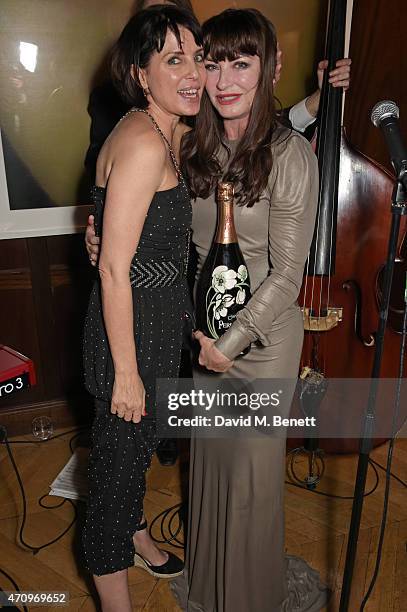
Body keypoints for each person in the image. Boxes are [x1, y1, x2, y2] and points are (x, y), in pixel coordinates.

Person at [84, 8, 351, 611]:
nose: (224, 79)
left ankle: (250, 596)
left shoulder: (291, 156)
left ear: (268, 67)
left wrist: (227, 346)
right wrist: (99, 236)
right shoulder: (191, 142)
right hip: (202, 331)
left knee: (250, 483)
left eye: (242, 63)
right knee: (207, 473)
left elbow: (287, 276)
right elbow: (148, 217)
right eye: (213, 62)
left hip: (258, 345)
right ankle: (211, 583)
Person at [81, 6, 205, 611]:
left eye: (196, 58)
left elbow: (127, 247)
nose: (192, 73)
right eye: (172, 59)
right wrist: (126, 372)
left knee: (130, 464)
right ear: (140, 72)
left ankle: (139, 540)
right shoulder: (141, 142)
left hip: (154, 329)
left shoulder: (164, 130)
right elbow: (112, 269)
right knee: (111, 486)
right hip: (128, 341)